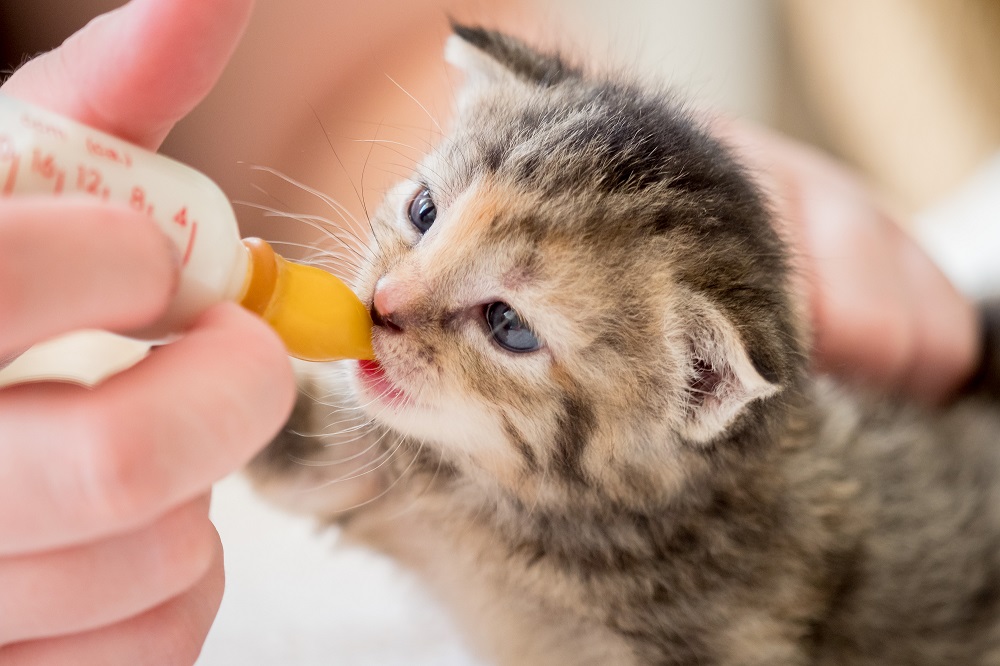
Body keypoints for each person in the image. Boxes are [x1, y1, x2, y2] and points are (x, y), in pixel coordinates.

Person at [0, 0, 981, 663]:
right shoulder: (482, 445)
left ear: (697, 390)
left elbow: (343, 75)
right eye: (422, 214)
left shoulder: (686, 599)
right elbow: (321, 462)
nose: (391, 296)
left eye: (506, 321)